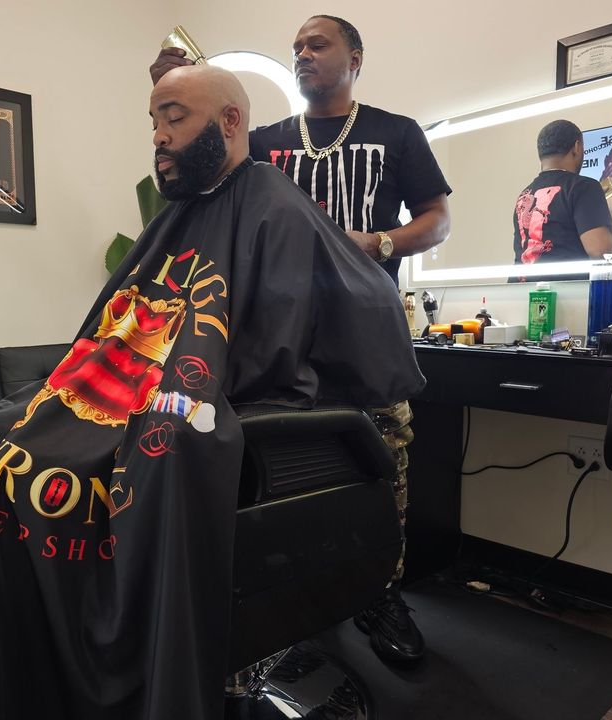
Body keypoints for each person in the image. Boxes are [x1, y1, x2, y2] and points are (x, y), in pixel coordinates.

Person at [0, 65, 424, 720]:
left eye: (175, 117)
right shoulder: (174, 220)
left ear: (230, 122)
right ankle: (6, 668)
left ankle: (120, 677)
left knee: (138, 457)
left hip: (193, 401)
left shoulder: (275, 204)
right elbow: (111, 329)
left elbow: (286, 341)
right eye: (153, 122)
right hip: (128, 389)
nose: (159, 135)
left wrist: (173, 388)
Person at [150, 14, 452, 666]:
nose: (303, 55)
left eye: (318, 44)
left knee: (380, 456)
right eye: (296, 48)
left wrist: (378, 242)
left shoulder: (394, 134)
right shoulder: (262, 139)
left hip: (364, 321)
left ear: (356, 56)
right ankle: (293, 592)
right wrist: (179, 95)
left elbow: (437, 218)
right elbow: (203, 166)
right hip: (278, 326)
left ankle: (380, 589)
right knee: (285, 461)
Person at [513, 119, 612, 266]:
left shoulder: (524, 195)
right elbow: (601, 252)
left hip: (522, 287)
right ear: (577, 147)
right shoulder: (584, 187)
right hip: (568, 288)